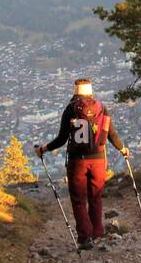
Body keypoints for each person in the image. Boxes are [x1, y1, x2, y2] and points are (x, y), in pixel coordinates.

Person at [36, 79, 130, 251]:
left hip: (77, 160)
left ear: (75, 91)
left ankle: (85, 237)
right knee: (96, 196)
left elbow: (62, 139)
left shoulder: (71, 109)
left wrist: (44, 149)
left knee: (79, 199)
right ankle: (97, 232)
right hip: (99, 160)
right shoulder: (102, 108)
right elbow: (112, 134)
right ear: (91, 91)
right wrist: (122, 149)